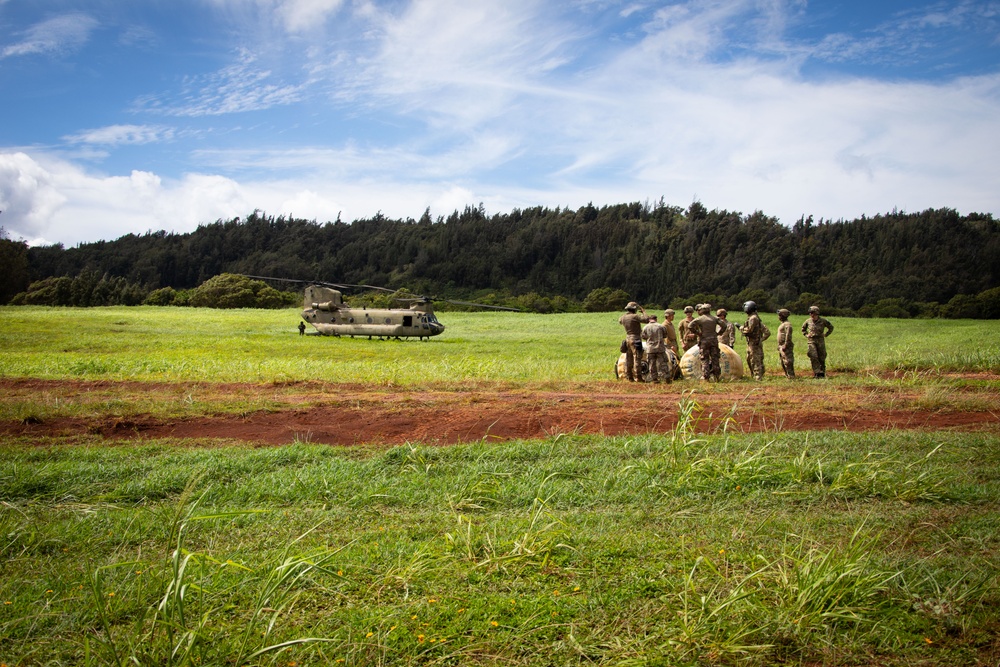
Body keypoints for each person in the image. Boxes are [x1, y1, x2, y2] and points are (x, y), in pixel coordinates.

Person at [690, 303, 724, 381]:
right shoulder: (715, 318)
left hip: (704, 340)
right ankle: (717, 376)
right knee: (715, 358)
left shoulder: (700, 319)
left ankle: (706, 377)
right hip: (713, 340)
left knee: (704, 359)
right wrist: (718, 333)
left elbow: (690, 326)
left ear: (702, 310)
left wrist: (698, 333)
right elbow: (724, 325)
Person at [618, 301, 650, 382]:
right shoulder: (635, 316)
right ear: (634, 309)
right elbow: (646, 320)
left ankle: (629, 377)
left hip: (627, 339)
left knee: (629, 358)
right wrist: (644, 312)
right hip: (636, 339)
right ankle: (638, 377)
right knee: (637, 358)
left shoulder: (623, 317)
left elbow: (620, 321)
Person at [801, 305, 834, 377]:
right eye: (810, 313)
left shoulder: (823, 321)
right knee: (813, 355)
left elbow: (831, 327)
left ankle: (822, 372)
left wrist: (825, 334)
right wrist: (806, 335)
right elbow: (803, 329)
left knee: (822, 356)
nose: (811, 315)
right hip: (811, 340)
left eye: (812, 313)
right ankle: (817, 372)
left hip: (820, 340)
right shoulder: (808, 321)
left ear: (817, 313)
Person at [740, 300, 766, 380]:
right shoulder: (752, 317)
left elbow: (749, 330)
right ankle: (754, 375)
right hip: (751, 342)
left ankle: (758, 377)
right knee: (750, 359)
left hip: (754, 343)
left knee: (755, 359)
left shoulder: (753, 318)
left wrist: (741, 328)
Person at [641, 314, 670, 383]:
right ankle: (667, 379)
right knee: (663, 363)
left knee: (652, 364)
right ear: (656, 319)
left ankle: (655, 379)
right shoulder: (661, 326)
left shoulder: (645, 327)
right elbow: (665, 335)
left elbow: (643, 337)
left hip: (650, 349)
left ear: (649, 320)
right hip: (660, 348)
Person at [776, 308, 795, 378]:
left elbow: (788, 335)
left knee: (788, 361)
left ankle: (791, 376)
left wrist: (786, 344)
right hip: (781, 345)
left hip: (785, 346)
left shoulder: (787, 324)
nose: (778, 317)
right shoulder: (783, 324)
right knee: (783, 361)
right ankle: (787, 375)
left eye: (779, 315)